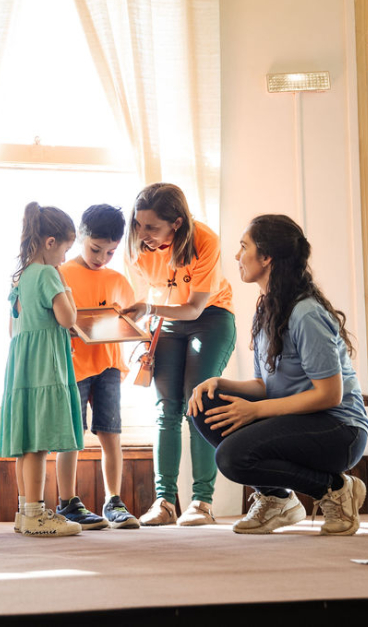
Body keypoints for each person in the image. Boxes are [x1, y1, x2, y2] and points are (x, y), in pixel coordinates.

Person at [187, 214, 368, 536]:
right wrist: (221, 382)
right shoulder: (266, 309)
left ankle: (334, 488)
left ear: (266, 257)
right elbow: (265, 385)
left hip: (339, 430)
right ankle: (278, 499)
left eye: (244, 247)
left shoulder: (305, 312)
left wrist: (255, 410)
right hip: (297, 422)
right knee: (205, 404)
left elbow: (329, 394)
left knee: (232, 457)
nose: (237, 256)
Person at [122, 183, 236, 526]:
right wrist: (140, 334)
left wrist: (150, 307)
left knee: (195, 404)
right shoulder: (138, 247)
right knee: (166, 408)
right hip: (167, 319)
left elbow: (195, 308)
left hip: (211, 317)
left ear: (176, 223)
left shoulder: (204, 240)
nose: (144, 235)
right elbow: (144, 304)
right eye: (139, 225)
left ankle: (202, 501)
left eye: (152, 227)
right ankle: (165, 502)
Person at [0, 202, 84, 537]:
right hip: (44, 367)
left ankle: (26, 511)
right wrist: (66, 287)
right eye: (65, 250)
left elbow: (12, 328)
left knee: (27, 442)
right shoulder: (49, 274)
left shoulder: (20, 278)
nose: (64, 258)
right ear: (51, 243)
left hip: (22, 366)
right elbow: (68, 318)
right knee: (38, 444)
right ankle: (35, 515)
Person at [56, 205, 139, 530]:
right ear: (80, 236)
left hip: (108, 366)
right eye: (95, 249)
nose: (102, 257)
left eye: (110, 252)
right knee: (70, 436)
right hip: (74, 366)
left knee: (111, 434)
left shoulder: (118, 280)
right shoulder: (61, 274)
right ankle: (67, 502)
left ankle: (113, 501)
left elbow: (126, 323)